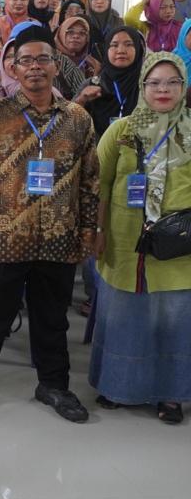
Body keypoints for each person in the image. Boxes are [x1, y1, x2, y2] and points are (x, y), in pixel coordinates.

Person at [0, 24, 100, 424]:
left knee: (53, 319)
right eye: (25, 61)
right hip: (4, 240)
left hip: (59, 238)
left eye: (42, 59)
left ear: (56, 66)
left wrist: (89, 230)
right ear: (13, 68)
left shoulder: (77, 120)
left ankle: (54, 384)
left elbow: (90, 180)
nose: (35, 67)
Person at [89, 51, 191, 422]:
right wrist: (98, 231)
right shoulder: (123, 130)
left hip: (178, 246)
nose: (163, 90)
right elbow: (98, 184)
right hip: (124, 239)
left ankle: (170, 395)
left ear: (183, 87)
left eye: (172, 82)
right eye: (154, 83)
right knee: (124, 317)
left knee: (173, 320)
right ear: (143, 86)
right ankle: (118, 387)